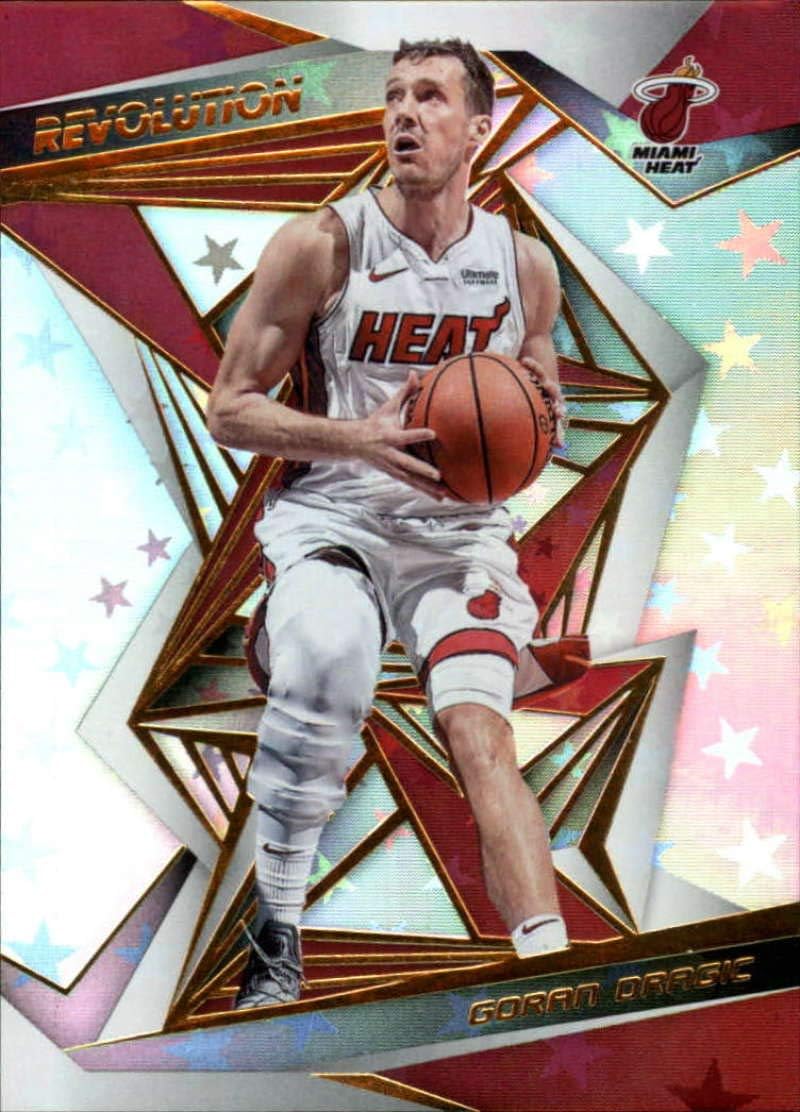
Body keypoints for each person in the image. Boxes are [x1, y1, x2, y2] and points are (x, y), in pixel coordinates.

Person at [207, 38, 587, 1011]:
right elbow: (229, 409)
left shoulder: (524, 266)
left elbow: (541, 397)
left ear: (478, 127)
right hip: (335, 516)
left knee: (478, 730)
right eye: (393, 97)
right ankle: (275, 933)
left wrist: (531, 418)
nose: (404, 114)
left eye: (429, 97)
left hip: (456, 537)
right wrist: (357, 438)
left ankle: (548, 973)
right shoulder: (321, 244)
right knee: (330, 661)